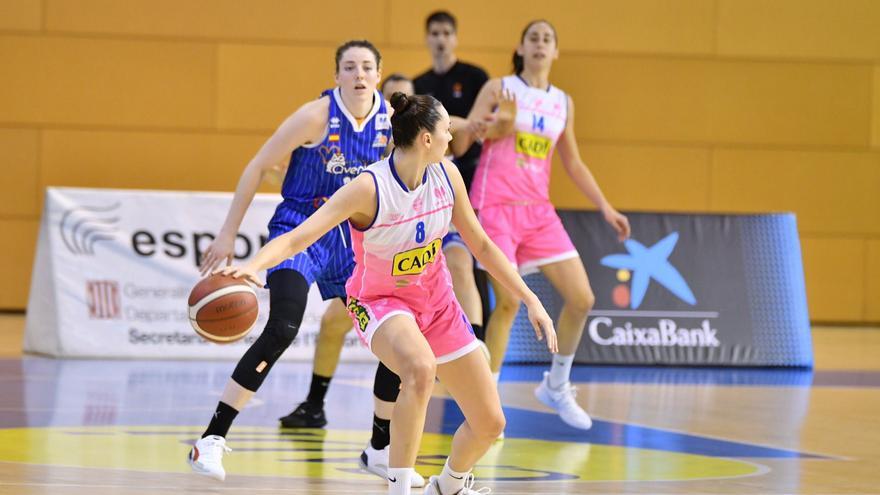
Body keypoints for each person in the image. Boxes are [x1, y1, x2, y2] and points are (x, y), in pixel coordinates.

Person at [217, 92, 557, 495]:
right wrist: (253, 266)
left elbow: (481, 246)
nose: (453, 136)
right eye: (447, 128)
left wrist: (531, 299)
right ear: (427, 139)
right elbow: (298, 237)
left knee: (490, 423)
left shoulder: (447, 177)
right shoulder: (369, 187)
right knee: (419, 368)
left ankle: (448, 486)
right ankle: (398, 487)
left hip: (437, 302)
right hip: (380, 302)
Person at [188, 40, 419, 486]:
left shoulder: (392, 125)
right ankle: (212, 439)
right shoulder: (316, 115)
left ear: (378, 75)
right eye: (349, 66)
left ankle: (377, 448)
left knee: (396, 333)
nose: (357, 74)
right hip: (300, 231)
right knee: (283, 327)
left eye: (366, 67)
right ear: (336, 76)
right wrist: (227, 233)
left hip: (354, 242)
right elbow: (258, 165)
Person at [460, 20, 631, 430]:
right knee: (508, 302)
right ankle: (487, 409)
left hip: (538, 211)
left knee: (582, 299)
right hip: (496, 206)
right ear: (520, 47)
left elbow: (572, 161)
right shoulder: (499, 88)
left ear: (556, 52)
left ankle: (556, 385)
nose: (539, 44)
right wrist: (483, 128)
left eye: (547, 39)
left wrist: (606, 206)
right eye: (533, 38)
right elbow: (462, 141)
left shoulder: (563, 102)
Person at [414, 11, 490, 343]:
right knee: (438, 268)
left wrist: (460, 131)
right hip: (431, 182)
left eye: (446, 32)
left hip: (473, 182)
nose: (441, 39)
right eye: (435, 33)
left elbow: (473, 134)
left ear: (455, 37)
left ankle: (477, 343)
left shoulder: (475, 77)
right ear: (427, 38)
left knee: (472, 264)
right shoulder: (420, 85)